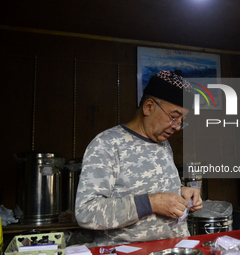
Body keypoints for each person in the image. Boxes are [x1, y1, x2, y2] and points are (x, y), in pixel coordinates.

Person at [75, 70, 203, 246]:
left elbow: (144, 184)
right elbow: (86, 213)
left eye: (182, 120)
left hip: (174, 249)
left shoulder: (163, 143)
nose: (177, 127)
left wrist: (180, 190)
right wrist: (151, 203)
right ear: (148, 107)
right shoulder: (107, 144)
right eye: (174, 117)